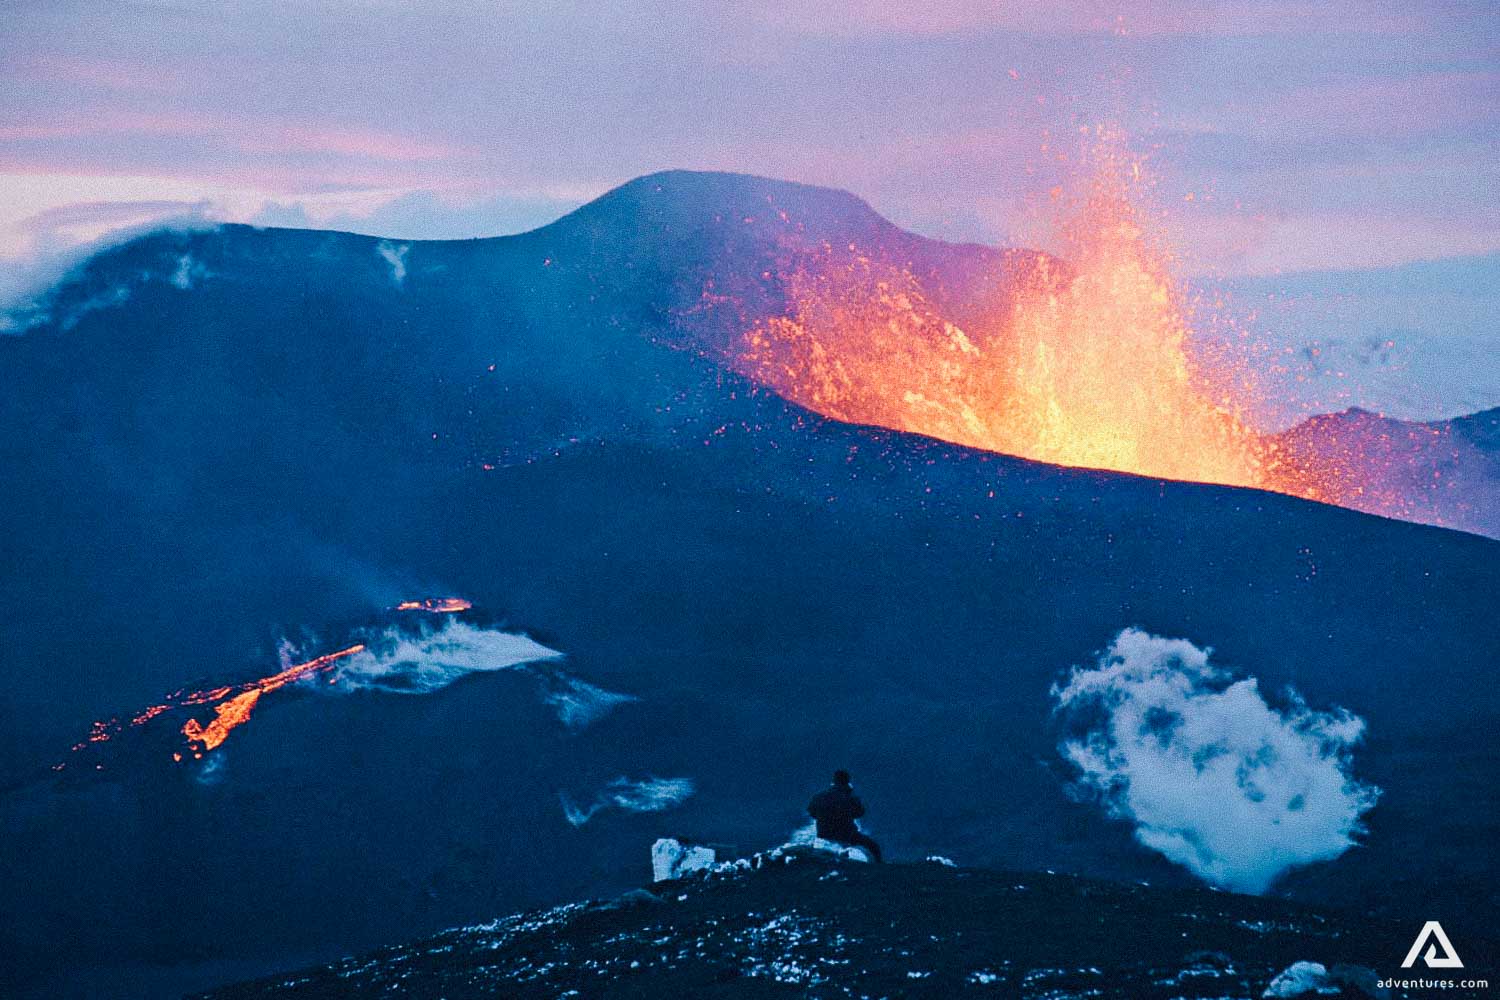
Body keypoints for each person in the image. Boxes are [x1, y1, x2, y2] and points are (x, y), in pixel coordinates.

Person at [807, 769, 882, 862]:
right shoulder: (850, 797)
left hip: (824, 834)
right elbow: (860, 813)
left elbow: (811, 812)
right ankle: (879, 864)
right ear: (847, 782)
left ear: (833, 781)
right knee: (874, 846)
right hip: (847, 835)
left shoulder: (819, 796)